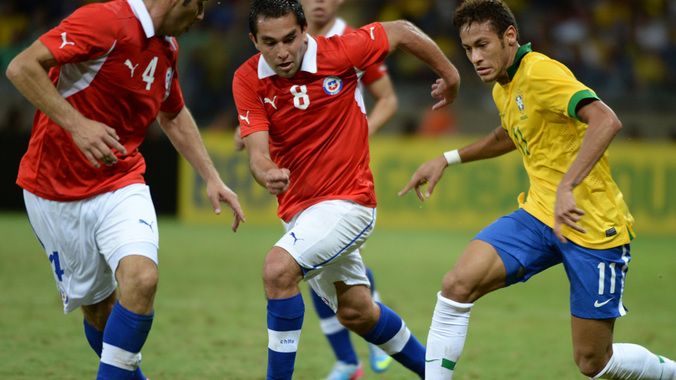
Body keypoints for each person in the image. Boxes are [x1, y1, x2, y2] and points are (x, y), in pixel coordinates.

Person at [398, 1, 676, 379]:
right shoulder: (504, 85)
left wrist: (567, 186)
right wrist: (447, 158)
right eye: (468, 49)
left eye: (483, 44)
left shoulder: (541, 73)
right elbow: (510, 134)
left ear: (509, 37)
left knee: (594, 363)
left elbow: (606, 120)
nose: (476, 57)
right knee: (456, 286)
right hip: (539, 214)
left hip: (591, 224)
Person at [5, 0, 245, 379]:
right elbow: (21, 67)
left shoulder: (168, 46)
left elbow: (174, 113)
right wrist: (77, 124)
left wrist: (212, 177)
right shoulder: (105, 21)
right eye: (198, 6)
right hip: (53, 188)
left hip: (121, 182)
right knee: (100, 311)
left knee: (142, 278)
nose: (201, 17)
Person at [233, 0, 459, 379]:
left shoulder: (341, 51)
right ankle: (436, 375)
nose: (282, 51)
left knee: (277, 270)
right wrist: (266, 171)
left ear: (305, 30)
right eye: (270, 42)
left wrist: (450, 74)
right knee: (356, 311)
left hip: (349, 201)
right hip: (300, 212)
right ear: (254, 41)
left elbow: (402, 30)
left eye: (290, 38)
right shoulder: (247, 79)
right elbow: (257, 154)